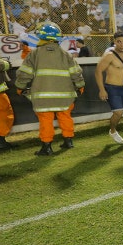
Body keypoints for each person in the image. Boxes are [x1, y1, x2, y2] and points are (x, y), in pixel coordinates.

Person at [15, 22, 85, 156]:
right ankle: (68, 141)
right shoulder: (66, 55)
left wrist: (20, 87)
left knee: (45, 120)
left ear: (41, 37)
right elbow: (76, 73)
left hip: (43, 97)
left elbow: (25, 74)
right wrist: (80, 85)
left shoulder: (34, 54)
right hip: (65, 96)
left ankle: (46, 147)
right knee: (65, 117)